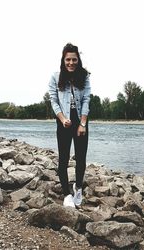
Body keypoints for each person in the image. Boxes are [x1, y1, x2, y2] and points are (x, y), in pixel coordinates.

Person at [48, 43, 91, 208]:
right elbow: (53, 100)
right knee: (64, 159)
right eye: (68, 59)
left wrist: (83, 123)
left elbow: (87, 99)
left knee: (81, 159)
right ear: (63, 60)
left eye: (74, 59)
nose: (71, 62)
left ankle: (78, 187)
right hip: (63, 122)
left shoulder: (84, 76)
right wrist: (62, 118)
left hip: (81, 122)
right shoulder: (55, 77)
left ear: (78, 60)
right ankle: (66, 194)